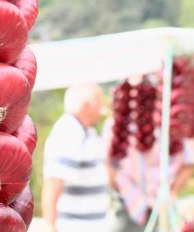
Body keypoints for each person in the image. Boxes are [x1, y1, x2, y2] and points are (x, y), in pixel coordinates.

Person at [104, 119, 194, 231]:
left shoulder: (173, 118)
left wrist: (173, 191)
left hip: (164, 205)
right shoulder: (119, 122)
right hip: (128, 205)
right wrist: (129, 191)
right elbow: (107, 164)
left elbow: (189, 161)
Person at [42, 84, 109, 232]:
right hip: (75, 226)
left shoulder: (87, 130)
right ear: (86, 105)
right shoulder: (69, 131)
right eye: (99, 101)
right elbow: (54, 182)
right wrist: (51, 227)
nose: (102, 107)